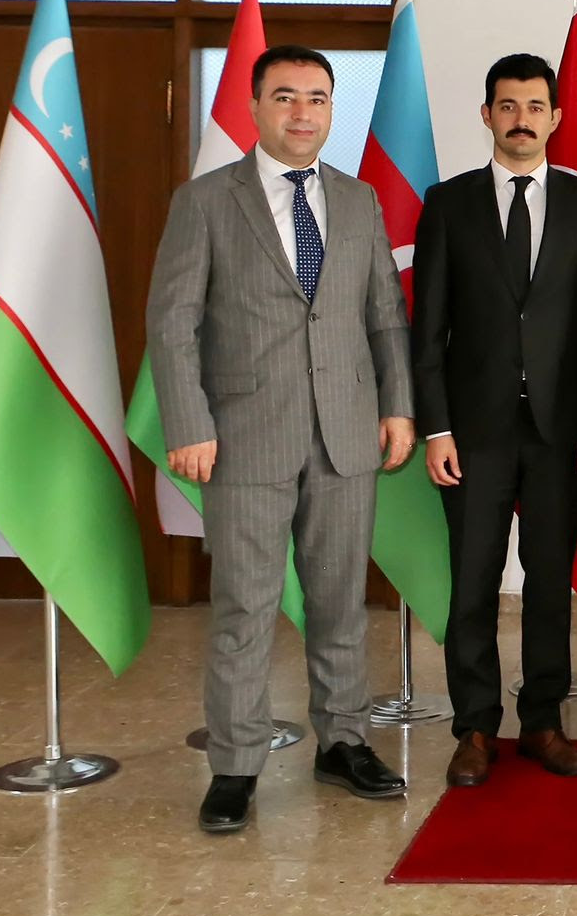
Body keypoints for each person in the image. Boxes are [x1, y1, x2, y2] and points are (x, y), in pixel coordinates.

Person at [146, 44, 416, 834]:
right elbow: (172, 322)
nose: (303, 112)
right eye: (287, 96)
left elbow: (383, 315)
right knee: (244, 609)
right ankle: (235, 766)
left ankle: (344, 742)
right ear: (257, 106)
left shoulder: (359, 200)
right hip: (243, 439)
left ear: (332, 109)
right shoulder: (205, 201)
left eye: (318, 98)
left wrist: (399, 408)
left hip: (346, 433)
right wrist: (189, 422)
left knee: (340, 604)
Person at [411, 53, 577, 787]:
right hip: (472, 433)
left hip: (563, 432)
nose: (521, 119)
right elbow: (427, 328)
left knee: (548, 580)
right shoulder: (449, 204)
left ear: (555, 118)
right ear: (487, 115)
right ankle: (474, 726)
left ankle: (542, 721)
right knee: (472, 582)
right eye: (508, 106)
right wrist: (437, 427)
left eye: (535, 107)